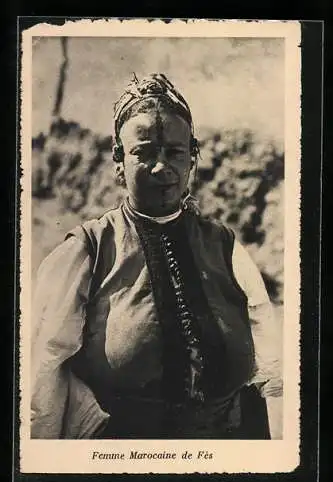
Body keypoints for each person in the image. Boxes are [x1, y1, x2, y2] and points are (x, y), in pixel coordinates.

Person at [31, 73, 282, 440]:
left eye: (175, 153)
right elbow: (42, 382)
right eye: (143, 152)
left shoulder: (225, 248)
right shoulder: (88, 250)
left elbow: (273, 375)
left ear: (192, 159)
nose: (162, 167)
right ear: (119, 161)